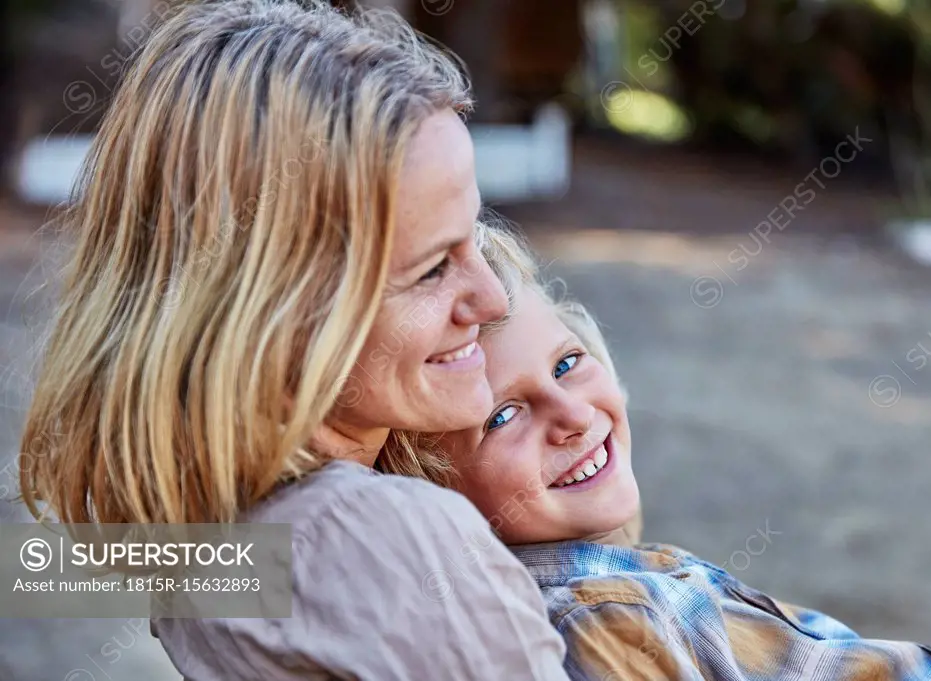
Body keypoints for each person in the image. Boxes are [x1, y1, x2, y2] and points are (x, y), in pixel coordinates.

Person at [17, 1, 572, 679]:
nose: (492, 299)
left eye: (476, 236)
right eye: (431, 267)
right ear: (275, 310)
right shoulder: (391, 545)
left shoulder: (218, 540)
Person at [385, 226, 931, 681]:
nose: (574, 415)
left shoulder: (612, 586)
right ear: (436, 494)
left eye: (567, 363)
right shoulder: (597, 621)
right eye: (504, 416)